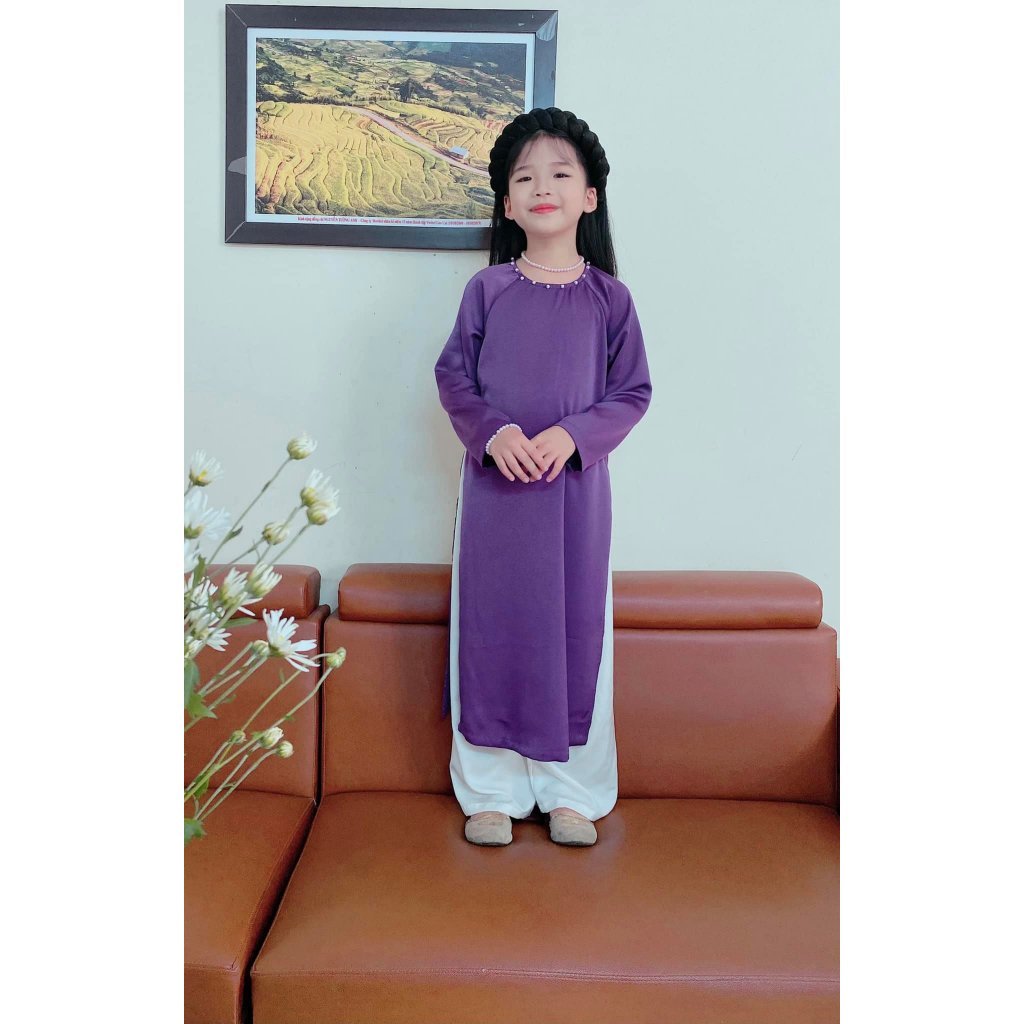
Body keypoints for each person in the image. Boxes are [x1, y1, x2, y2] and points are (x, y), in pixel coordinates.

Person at [433, 107, 653, 848]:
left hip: (575, 502)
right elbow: (454, 379)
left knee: (575, 636)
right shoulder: (487, 291)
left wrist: (570, 436)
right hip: (495, 501)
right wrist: (496, 434)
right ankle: (491, 791)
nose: (542, 188)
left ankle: (571, 793)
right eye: (525, 178)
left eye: (560, 174)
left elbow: (632, 393)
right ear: (506, 202)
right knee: (491, 633)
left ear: (590, 196)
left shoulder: (610, 300)